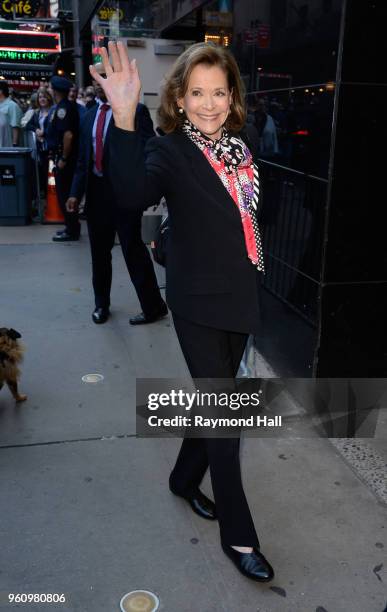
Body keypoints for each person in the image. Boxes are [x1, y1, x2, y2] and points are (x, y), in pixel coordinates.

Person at [91, 41, 274, 582]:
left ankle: (182, 479)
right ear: (179, 96)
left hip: (240, 296)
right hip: (196, 302)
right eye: (197, 93)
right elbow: (130, 194)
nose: (210, 104)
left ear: (232, 95)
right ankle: (239, 537)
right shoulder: (169, 149)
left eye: (219, 92)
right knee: (225, 416)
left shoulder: (242, 146)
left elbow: (246, 222)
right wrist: (126, 115)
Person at [65, 70, 167, 325]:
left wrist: (144, 186)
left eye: (105, 77)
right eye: (97, 79)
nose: (101, 84)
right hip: (97, 196)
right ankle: (102, 305)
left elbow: (149, 149)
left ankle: (153, 306)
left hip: (124, 195)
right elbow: (82, 160)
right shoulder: (88, 117)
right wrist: (75, 193)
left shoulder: (137, 111)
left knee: (133, 251)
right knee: (99, 254)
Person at [46, 76, 80, 241]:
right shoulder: (63, 106)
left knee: (65, 194)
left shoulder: (63, 109)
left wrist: (64, 158)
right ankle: (70, 226)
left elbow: (68, 135)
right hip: (63, 157)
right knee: (64, 193)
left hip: (66, 159)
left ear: (56, 91)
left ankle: (72, 230)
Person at [25, 88, 54, 196]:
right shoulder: (36, 113)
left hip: (51, 147)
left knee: (51, 175)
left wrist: (44, 133)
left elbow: (54, 128)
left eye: (44, 97)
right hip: (40, 148)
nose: (42, 99)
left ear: (49, 98)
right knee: (42, 174)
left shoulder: (53, 110)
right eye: (40, 97)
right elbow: (28, 125)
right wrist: (36, 130)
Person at [0, 81, 22, 147]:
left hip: (7, 144)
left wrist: (14, 144)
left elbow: (15, 126)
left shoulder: (12, 105)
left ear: (1, 91)